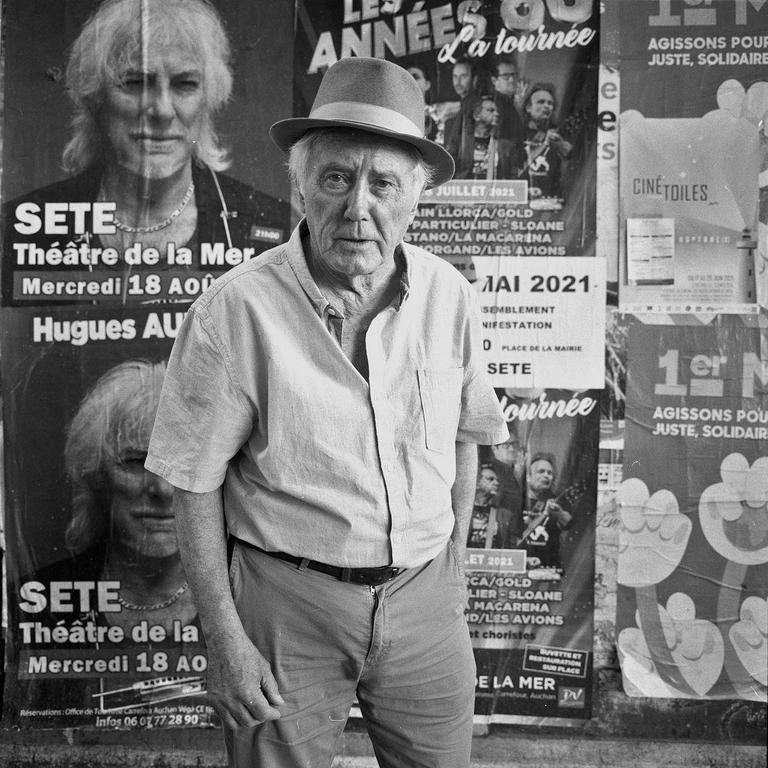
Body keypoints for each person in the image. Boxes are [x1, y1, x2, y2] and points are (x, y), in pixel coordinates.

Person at [146, 56, 508, 767]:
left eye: (383, 184)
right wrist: (223, 639)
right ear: (301, 185)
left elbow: (467, 437)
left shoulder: (449, 295)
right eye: (337, 178)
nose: (358, 208)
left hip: (425, 597)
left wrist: (455, 566)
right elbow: (191, 482)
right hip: (286, 606)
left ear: (417, 195)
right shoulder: (235, 310)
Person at [2, 0, 286, 305]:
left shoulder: (273, 225)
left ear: (210, 97)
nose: (161, 110)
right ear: (94, 97)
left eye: (185, 84)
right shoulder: (19, 229)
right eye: (135, 83)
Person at [6, 360, 205, 720]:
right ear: (96, 476)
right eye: (134, 461)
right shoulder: (42, 601)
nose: (161, 488)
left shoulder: (248, 599)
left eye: (180, 461)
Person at [516, 82, 573, 204]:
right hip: (521, 202)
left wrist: (560, 144)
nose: (546, 106)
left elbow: (572, 156)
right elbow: (516, 171)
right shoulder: (516, 134)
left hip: (551, 203)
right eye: (541, 102)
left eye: (550, 103)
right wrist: (543, 145)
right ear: (528, 108)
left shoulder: (558, 133)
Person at [520, 453, 572, 572]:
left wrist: (559, 513)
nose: (546, 476)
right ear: (528, 476)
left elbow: (569, 524)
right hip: (519, 567)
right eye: (541, 471)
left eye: (550, 473)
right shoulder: (517, 500)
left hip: (549, 569)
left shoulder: (558, 501)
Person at [454, 94, 515, 180]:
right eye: (490, 110)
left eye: (497, 111)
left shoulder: (504, 145)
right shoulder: (460, 143)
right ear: (476, 116)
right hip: (467, 190)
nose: (496, 114)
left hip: (495, 190)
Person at [466, 465, 516, 549]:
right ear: (476, 483)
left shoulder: (503, 514)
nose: (496, 483)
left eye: (497, 480)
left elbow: (510, 546)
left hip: (493, 559)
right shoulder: (463, 511)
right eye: (490, 479)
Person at [490, 57, 525, 143]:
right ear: (494, 81)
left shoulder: (510, 103)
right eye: (506, 76)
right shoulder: (496, 105)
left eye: (514, 75)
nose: (512, 80)